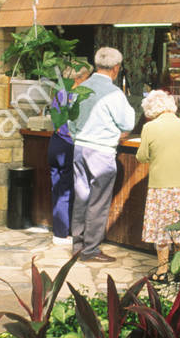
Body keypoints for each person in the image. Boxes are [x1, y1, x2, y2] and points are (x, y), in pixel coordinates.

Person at [70, 47, 136, 263]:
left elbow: (69, 120)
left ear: (96, 64)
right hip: (101, 151)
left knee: (81, 198)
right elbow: (127, 123)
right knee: (98, 202)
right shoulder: (115, 94)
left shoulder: (81, 88)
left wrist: (78, 137)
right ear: (116, 69)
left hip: (79, 148)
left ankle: (78, 247)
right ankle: (90, 250)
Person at [135, 90, 180, 278]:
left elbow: (141, 156)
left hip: (161, 186)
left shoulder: (150, 128)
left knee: (162, 229)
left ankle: (162, 270)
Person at [49, 63, 92, 246]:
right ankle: (63, 234)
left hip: (55, 143)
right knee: (67, 190)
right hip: (68, 144)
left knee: (57, 188)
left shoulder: (59, 94)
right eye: (87, 77)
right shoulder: (79, 97)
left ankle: (58, 230)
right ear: (78, 78)